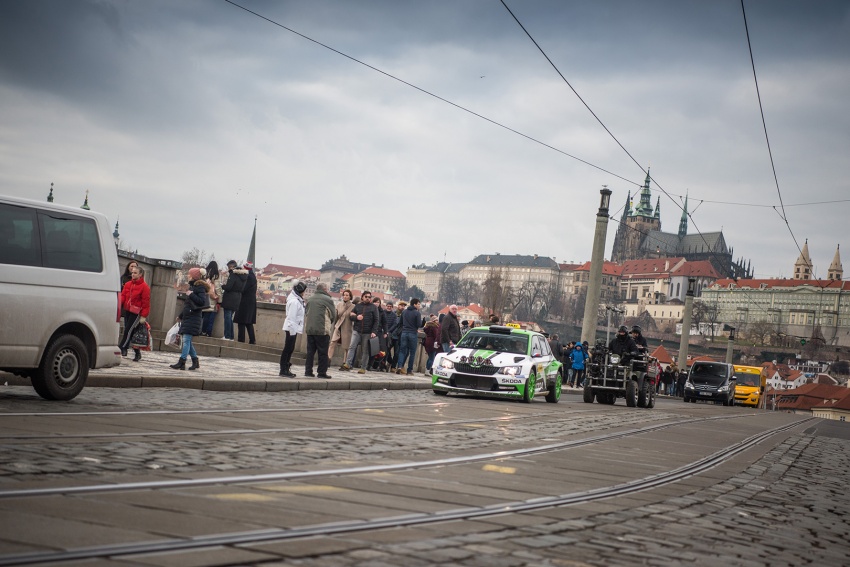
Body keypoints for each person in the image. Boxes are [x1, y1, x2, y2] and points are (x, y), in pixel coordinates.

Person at [170, 267, 209, 371]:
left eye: (190, 274)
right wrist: (181, 316)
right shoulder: (192, 286)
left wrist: (191, 294)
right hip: (189, 316)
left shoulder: (199, 287)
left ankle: (182, 362)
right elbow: (188, 305)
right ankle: (195, 361)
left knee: (187, 340)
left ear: (194, 276)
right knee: (188, 341)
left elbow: (201, 301)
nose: (188, 275)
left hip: (194, 317)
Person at [342, 291, 380, 374]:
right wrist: (356, 317)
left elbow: (376, 320)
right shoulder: (358, 306)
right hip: (357, 330)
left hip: (367, 332)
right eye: (366, 296)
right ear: (362, 297)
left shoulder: (373, 307)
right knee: (352, 346)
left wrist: (374, 331)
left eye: (369, 297)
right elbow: (351, 316)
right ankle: (348, 364)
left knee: (365, 350)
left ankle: (363, 367)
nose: (368, 298)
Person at [118, 265, 151, 362]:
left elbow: (146, 302)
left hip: (136, 313)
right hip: (128, 310)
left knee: (128, 330)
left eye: (135, 273)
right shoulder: (128, 284)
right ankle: (137, 353)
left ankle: (122, 347)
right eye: (132, 272)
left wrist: (144, 315)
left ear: (140, 274)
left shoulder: (145, 287)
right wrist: (118, 305)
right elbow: (123, 296)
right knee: (130, 331)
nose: (133, 274)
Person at [304, 282, 336, 379]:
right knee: (322, 352)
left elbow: (306, 312)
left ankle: (308, 371)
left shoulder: (310, 299)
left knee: (310, 352)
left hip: (310, 328)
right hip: (322, 329)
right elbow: (333, 315)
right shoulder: (328, 300)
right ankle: (321, 372)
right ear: (325, 289)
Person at [279, 280, 306, 377]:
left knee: (290, 348)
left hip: (293, 327)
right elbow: (291, 317)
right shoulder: (295, 302)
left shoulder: (297, 299)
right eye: (303, 291)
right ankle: (283, 369)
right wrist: (292, 331)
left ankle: (286, 367)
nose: (304, 293)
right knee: (288, 348)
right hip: (291, 327)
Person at [396, 298, 423, 375]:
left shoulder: (404, 312)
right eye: (418, 304)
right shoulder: (417, 313)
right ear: (414, 304)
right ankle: (409, 370)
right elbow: (419, 324)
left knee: (402, 351)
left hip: (404, 333)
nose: (419, 306)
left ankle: (399, 366)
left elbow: (400, 322)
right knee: (412, 352)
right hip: (412, 333)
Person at [221, 260, 247, 341]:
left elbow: (228, 287)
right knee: (230, 318)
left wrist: (222, 286)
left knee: (227, 317)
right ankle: (231, 336)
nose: (228, 269)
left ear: (232, 267)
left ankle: (227, 335)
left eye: (229, 267)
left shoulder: (233, 275)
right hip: (237, 298)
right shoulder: (244, 276)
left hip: (229, 298)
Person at [329, 289, 355, 361]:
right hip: (338, 327)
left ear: (350, 297)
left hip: (347, 328)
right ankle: (328, 359)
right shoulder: (339, 305)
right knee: (332, 343)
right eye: (344, 295)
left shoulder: (353, 306)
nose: (345, 297)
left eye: (347, 295)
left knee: (346, 346)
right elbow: (335, 316)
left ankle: (345, 362)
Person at [235, 262, 257, 344]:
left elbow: (243, 288)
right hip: (249, 302)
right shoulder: (252, 276)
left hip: (245, 302)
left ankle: (241, 340)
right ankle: (252, 340)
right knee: (248, 322)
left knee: (242, 321)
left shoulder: (249, 277)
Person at [201, 260, 223, 337]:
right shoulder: (215, 276)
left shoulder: (204, 274)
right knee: (209, 317)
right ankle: (207, 332)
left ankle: (201, 330)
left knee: (201, 315)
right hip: (211, 299)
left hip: (203, 297)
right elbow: (217, 289)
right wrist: (220, 300)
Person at [382, 300, 398, 371]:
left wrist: (388, 331)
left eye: (390, 307)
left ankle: (385, 364)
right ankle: (381, 364)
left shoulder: (394, 315)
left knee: (387, 350)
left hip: (389, 334)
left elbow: (395, 325)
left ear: (392, 307)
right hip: (382, 332)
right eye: (388, 306)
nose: (389, 308)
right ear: (386, 306)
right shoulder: (382, 313)